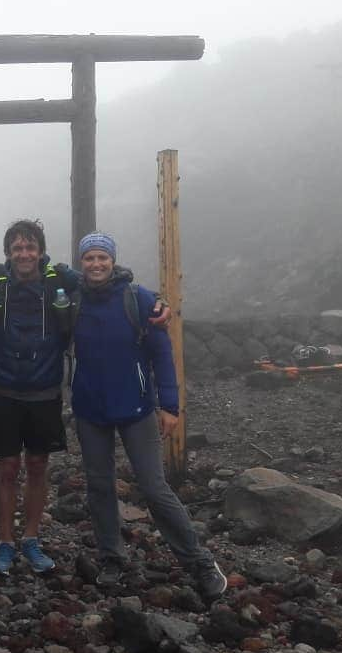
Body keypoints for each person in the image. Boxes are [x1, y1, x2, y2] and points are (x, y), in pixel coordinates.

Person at [0, 219, 169, 577]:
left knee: (38, 466)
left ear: (41, 251)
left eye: (30, 247)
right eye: (17, 248)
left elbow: (106, 282)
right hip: (4, 390)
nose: (24, 254)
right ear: (8, 254)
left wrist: (155, 300)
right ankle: (5, 542)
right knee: (7, 467)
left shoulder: (62, 279)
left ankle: (30, 538)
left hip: (45, 392)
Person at [70, 232, 227, 599]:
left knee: (155, 488)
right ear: (81, 262)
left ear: (113, 260)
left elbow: (161, 354)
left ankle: (199, 561)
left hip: (137, 408)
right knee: (99, 486)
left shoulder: (137, 299)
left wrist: (170, 406)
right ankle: (112, 557)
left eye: (102, 258)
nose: (96, 264)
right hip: (90, 410)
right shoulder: (72, 301)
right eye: (89, 258)